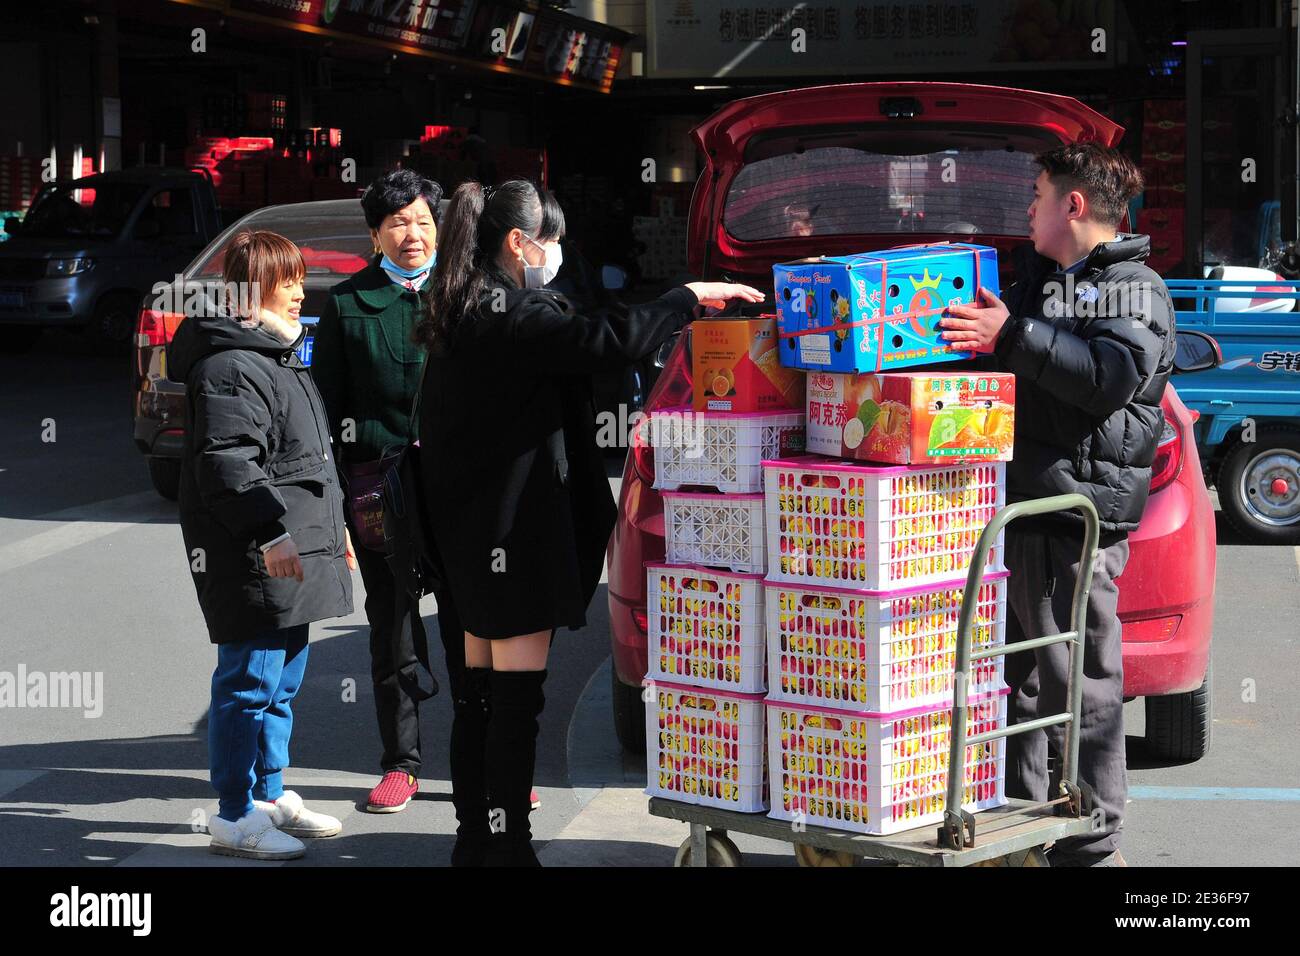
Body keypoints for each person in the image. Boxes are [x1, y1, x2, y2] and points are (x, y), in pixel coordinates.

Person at [414, 179, 763, 866]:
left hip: (464, 540)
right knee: (514, 705)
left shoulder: (457, 310)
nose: (558, 253)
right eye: (552, 239)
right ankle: (509, 847)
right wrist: (685, 298)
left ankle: (474, 843)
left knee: (478, 701)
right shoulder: (513, 315)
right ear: (519, 242)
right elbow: (605, 342)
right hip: (511, 537)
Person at [940, 143, 1176, 867]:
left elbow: (1105, 377)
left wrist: (1011, 334)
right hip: (1022, 504)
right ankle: (1025, 825)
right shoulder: (1044, 280)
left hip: (1078, 514)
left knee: (1083, 678)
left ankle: (1094, 843)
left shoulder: (1135, 288)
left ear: (1073, 206)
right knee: (1023, 677)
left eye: (1038, 195)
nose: (1028, 209)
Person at [170, 230, 357, 860]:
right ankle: (234, 815)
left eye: (301, 279)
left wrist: (334, 539)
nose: (301, 293)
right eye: (289, 282)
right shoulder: (230, 365)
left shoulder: (276, 356)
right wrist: (268, 532)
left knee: (281, 684)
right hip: (258, 553)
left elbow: (310, 462)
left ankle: (269, 795)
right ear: (252, 291)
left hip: (296, 551)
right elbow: (227, 463)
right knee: (248, 684)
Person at [311, 169, 450, 814]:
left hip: (456, 488)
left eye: (423, 221)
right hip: (377, 489)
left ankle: (492, 765)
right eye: (398, 222)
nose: (413, 234)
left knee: (474, 620)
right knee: (391, 623)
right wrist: (337, 501)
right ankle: (401, 762)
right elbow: (325, 408)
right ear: (374, 234)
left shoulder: (464, 298)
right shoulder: (345, 304)